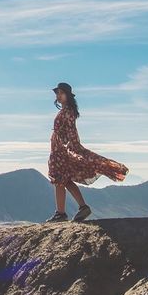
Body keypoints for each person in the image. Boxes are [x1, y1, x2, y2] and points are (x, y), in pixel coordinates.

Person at [45, 82, 130, 222]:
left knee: (60, 180)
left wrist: (73, 148)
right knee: (64, 180)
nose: (58, 96)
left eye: (61, 93)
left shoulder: (68, 112)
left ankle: (62, 213)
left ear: (68, 95)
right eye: (57, 93)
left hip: (61, 151)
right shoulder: (66, 111)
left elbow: (71, 131)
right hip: (58, 149)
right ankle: (80, 208)